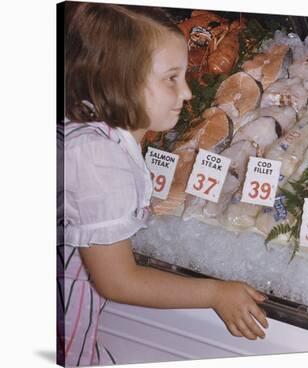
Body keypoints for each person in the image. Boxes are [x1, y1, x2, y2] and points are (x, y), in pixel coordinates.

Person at [59, 3, 268, 366]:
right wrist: (216, 293)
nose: (187, 93)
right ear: (118, 79)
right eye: (171, 78)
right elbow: (118, 282)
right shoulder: (96, 159)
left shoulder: (100, 126)